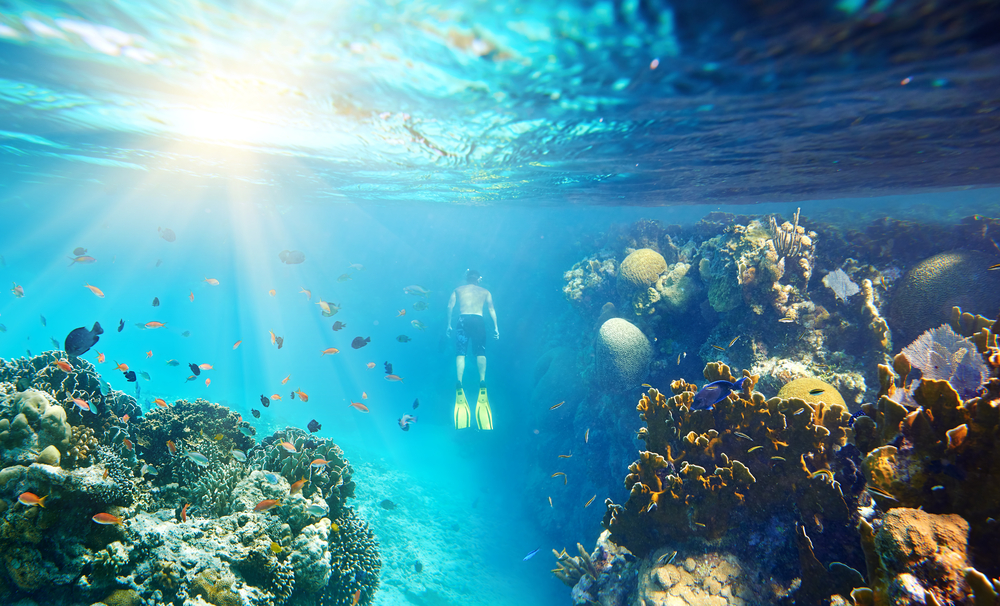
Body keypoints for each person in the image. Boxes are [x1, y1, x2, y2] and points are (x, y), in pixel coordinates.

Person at [447, 269, 498, 430]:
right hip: (478, 320)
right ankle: (482, 380)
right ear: (478, 279)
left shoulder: (458, 290)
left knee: (460, 353)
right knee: (480, 352)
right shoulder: (485, 291)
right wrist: (496, 327)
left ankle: (459, 382)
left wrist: (448, 324)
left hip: (463, 320)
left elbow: (450, 306)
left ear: (466, 278)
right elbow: (491, 310)